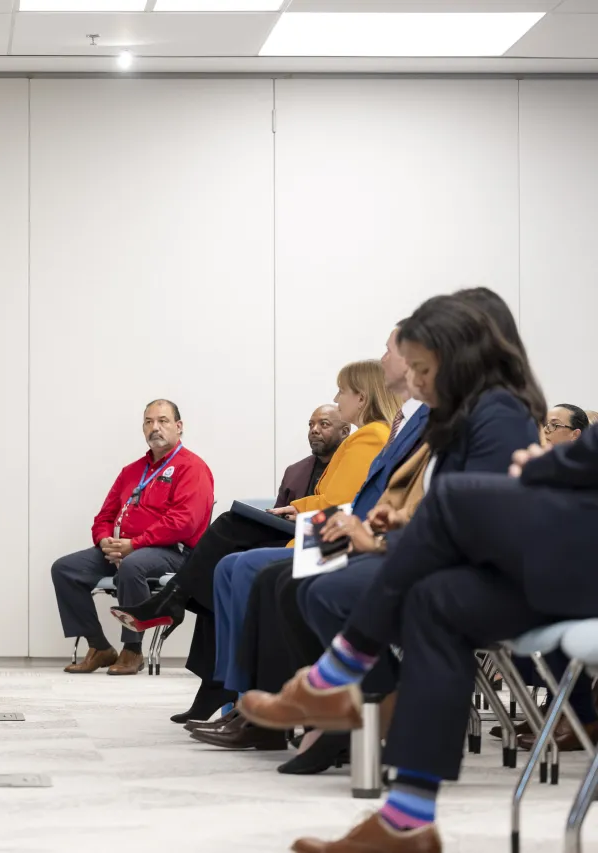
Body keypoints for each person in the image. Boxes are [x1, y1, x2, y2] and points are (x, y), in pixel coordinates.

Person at [235, 419, 598, 853]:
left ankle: (335, 678)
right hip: (560, 556)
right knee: (432, 596)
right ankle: (407, 819)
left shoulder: (493, 410)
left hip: (567, 561)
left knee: (448, 515)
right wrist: (553, 463)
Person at [207, 287, 526, 768]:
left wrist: (379, 537)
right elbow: (441, 501)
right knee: (285, 580)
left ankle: (356, 700)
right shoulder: (456, 413)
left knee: (312, 587)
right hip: (430, 552)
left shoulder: (491, 414)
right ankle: (349, 706)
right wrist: (386, 525)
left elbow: (476, 516)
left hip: (469, 572)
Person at [112, 360, 398, 721]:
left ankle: (175, 606)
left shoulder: (369, 435)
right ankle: (207, 667)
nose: (337, 397)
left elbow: (338, 502)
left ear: (361, 395)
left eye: (341, 390)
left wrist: (298, 509)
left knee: (230, 528)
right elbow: (334, 498)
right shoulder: (365, 436)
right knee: (221, 563)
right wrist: (295, 507)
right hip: (319, 524)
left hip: (328, 534)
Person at [189, 325, 424, 752]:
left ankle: (250, 702)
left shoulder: (383, 432)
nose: (336, 401)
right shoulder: (392, 427)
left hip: (353, 534)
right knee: (237, 562)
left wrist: (324, 520)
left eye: (341, 393)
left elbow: (349, 501)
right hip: (347, 529)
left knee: (252, 568)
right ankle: (242, 699)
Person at [51, 400, 214, 676]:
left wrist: (134, 545)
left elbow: (184, 523)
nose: (155, 427)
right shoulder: (132, 471)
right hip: (122, 549)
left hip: (173, 551)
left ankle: (132, 650)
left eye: (163, 421)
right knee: (65, 569)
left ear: (179, 426)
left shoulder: (193, 468)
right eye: (149, 422)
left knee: (133, 565)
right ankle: (99, 646)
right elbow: (104, 516)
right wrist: (105, 541)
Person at [277, 405, 349, 508]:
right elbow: (275, 518)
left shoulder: (356, 467)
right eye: (311, 425)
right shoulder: (293, 472)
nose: (314, 430)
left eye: (324, 424)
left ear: (344, 432)